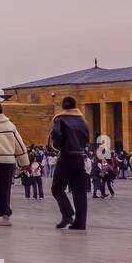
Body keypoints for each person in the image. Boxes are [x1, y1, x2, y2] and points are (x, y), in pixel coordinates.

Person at [49, 96, 91, 230]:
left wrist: (57, 147)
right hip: (79, 157)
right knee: (79, 191)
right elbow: (86, 138)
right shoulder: (83, 120)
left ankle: (67, 214)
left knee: (57, 188)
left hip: (67, 156)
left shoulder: (60, 119)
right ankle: (80, 222)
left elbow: (56, 134)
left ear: (63, 106)